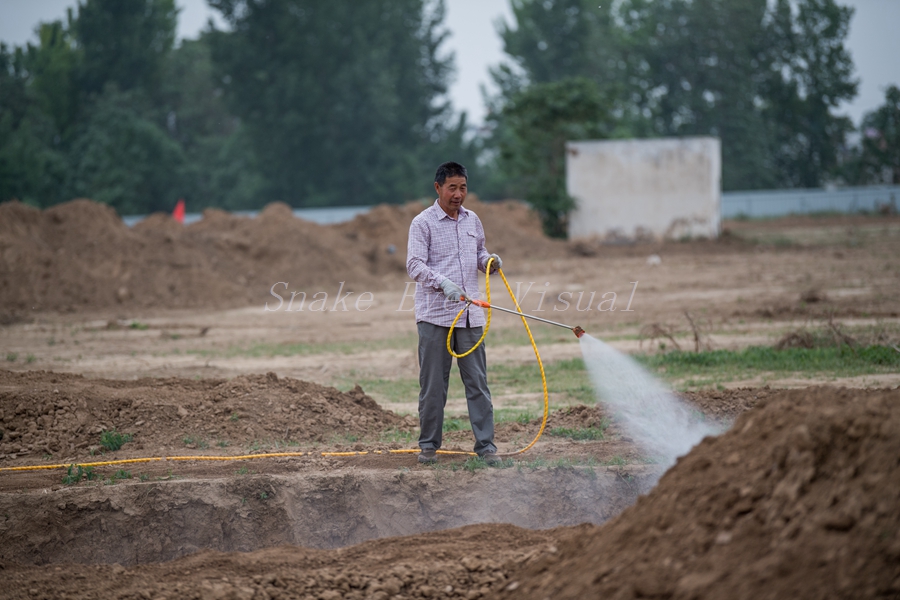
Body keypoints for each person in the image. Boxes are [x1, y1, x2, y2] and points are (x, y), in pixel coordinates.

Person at [406, 161, 502, 465]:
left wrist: (489, 261)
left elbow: (479, 253)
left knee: (478, 383)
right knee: (433, 386)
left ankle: (486, 447)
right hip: (435, 317)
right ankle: (429, 446)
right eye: (452, 187)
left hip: (471, 315)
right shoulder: (422, 223)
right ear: (438, 188)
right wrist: (441, 282)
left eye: (463, 187)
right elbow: (414, 265)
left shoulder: (472, 220)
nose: (458, 194)